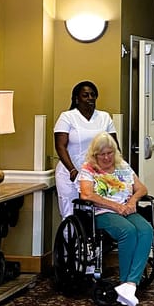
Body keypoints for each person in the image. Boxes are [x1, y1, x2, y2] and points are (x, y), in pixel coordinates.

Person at [78, 132, 153, 306]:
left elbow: (142, 188)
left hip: (126, 209)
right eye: (102, 154)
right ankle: (126, 281)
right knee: (128, 231)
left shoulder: (123, 166)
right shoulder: (88, 169)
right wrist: (115, 206)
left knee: (146, 229)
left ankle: (130, 285)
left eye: (109, 153)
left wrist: (132, 201)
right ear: (95, 155)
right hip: (103, 212)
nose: (106, 157)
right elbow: (86, 194)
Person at [54, 81, 119, 219]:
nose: (90, 98)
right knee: (70, 214)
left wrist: (116, 170)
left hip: (97, 174)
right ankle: (70, 240)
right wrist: (72, 170)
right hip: (70, 173)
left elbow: (114, 146)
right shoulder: (67, 117)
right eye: (85, 95)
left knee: (95, 214)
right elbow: (60, 146)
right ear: (77, 99)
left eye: (93, 95)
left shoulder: (104, 117)